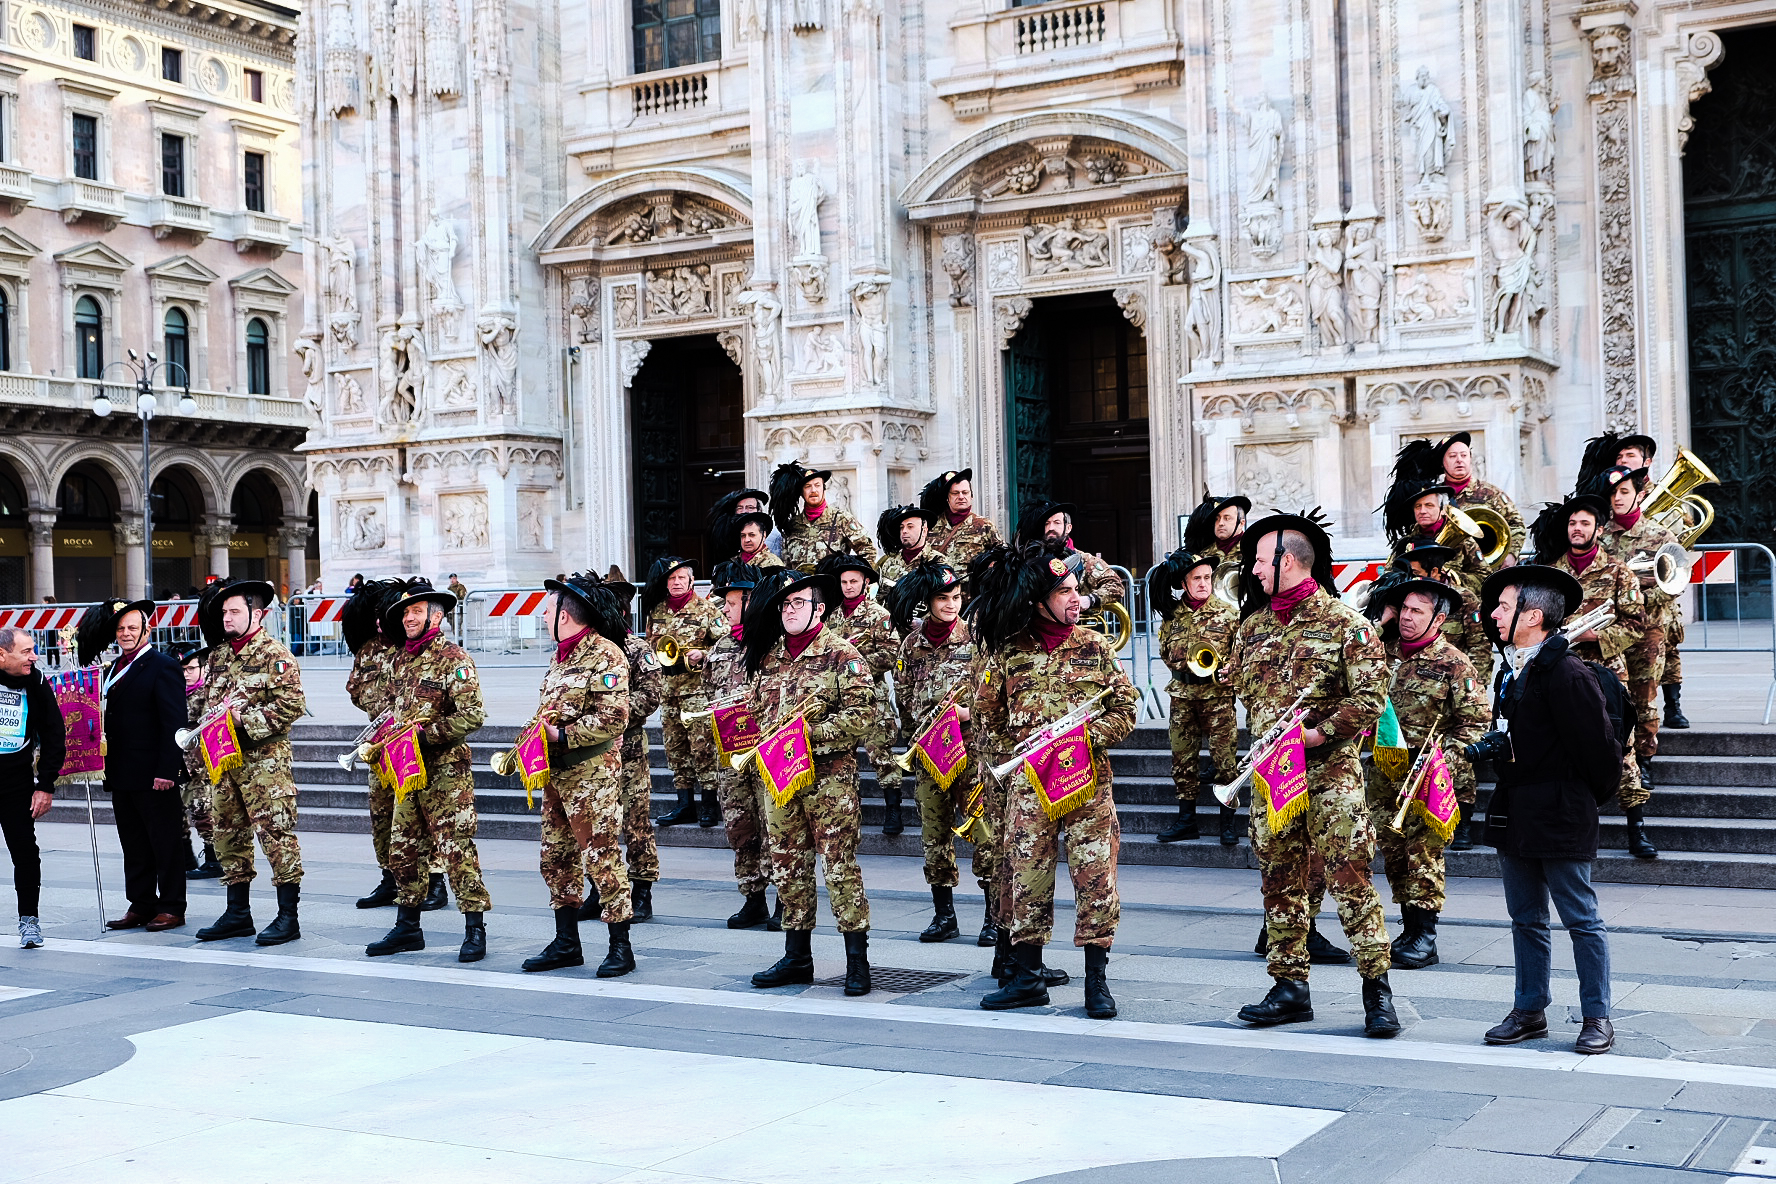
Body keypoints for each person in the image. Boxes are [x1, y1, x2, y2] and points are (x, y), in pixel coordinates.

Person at [1228, 511, 1399, 1037]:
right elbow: (1240, 688)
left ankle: (1377, 990)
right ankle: (1288, 986)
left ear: (1288, 562)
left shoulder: (1347, 625)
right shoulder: (1252, 628)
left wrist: (1320, 733)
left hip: (1330, 774)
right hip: (1274, 777)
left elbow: (1371, 699)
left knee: (1351, 880)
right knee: (1279, 881)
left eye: (1261, 561)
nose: (1254, 570)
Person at [971, 541, 1138, 1018]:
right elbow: (988, 717)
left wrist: (1086, 738)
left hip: (1087, 783)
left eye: (1075, 590)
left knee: (1095, 879)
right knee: (1026, 877)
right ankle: (1027, 977)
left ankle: (1097, 982)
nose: (1074, 599)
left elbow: (1127, 708)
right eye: (1063, 591)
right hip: (1028, 785)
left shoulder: (1095, 645)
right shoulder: (1008, 650)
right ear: (1039, 599)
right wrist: (1014, 759)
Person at [1477, 565, 1621, 1055]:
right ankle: (1529, 1009)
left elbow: (1602, 752)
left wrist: (1577, 800)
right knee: (1526, 918)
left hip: (1560, 810)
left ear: (1533, 615)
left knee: (1581, 919)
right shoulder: (1513, 666)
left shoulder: (1566, 671)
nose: (1493, 613)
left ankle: (1597, 1016)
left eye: (1503, 605)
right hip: (1517, 809)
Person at [744, 567, 876, 996]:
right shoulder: (769, 657)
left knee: (839, 868)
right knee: (787, 864)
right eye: (784, 603)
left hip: (829, 781)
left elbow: (863, 719)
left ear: (819, 608)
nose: (789, 610)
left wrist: (806, 735)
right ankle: (797, 956)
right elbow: (757, 713)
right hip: (780, 779)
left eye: (798, 602)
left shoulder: (842, 655)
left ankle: (857, 961)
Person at [1365, 577, 1489, 969]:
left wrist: (1443, 760)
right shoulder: (1381, 653)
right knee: (1394, 850)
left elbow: (1474, 723)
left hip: (1427, 771)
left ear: (1439, 619)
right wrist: (1377, 621)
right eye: (1403, 609)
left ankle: (1426, 936)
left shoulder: (1453, 662)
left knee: (1423, 853)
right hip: (1385, 769)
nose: (1407, 617)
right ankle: (1408, 927)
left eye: (1417, 611)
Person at [364, 579, 490, 962]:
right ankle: (408, 928)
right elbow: (392, 710)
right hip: (405, 772)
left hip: (446, 774)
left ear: (436, 615)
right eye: (405, 613)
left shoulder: (455, 659)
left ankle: (474, 927)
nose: (408, 618)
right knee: (403, 848)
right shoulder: (401, 659)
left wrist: (425, 735)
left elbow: (472, 715)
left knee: (456, 850)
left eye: (416, 611)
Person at [522, 573, 636, 977]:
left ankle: (620, 946)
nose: (542, 613)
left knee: (602, 857)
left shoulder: (605, 655)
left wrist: (564, 734)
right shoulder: (560, 656)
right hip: (557, 775)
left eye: (548, 609)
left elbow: (614, 717)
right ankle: (566, 942)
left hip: (591, 774)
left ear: (566, 616)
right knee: (555, 857)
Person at [1531, 492, 1651, 856]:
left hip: (1606, 671)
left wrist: (1596, 636)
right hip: (1558, 670)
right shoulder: (1551, 572)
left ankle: (1637, 827)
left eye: (1584, 523)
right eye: (1572, 523)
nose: (1577, 529)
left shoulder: (1619, 571)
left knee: (1620, 745)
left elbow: (1637, 623)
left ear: (1599, 529)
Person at [191, 579, 308, 946]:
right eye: (224, 612)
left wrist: (246, 720)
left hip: (265, 764)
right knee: (227, 835)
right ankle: (237, 913)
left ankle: (288, 916)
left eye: (235, 611)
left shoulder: (276, 655)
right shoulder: (219, 656)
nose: (227, 617)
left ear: (257, 614)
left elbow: (292, 705)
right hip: (225, 761)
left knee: (276, 835)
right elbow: (208, 701)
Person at [77, 599, 189, 932]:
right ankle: (141, 903)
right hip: (122, 769)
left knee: (164, 842)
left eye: (132, 628)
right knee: (134, 843)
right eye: (120, 629)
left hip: (155, 771)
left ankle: (171, 906)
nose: (125, 634)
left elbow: (174, 721)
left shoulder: (162, 665)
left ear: (146, 630)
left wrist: (167, 770)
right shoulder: (114, 668)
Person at [891, 561, 980, 943]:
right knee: (934, 835)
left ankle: (995, 917)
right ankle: (945, 915)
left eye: (957, 597)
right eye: (943, 598)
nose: (951, 604)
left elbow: (995, 695)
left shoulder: (977, 637)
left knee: (983, 831)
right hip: (929, 753)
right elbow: (905, 696)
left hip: (971, 750)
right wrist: (916, 738)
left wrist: (966, 713)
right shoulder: (912, 645)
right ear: (927, 601)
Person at [344, 579, 446, 911]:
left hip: (412, 746)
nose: (378, 620)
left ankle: (435, 880)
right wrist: (378, 709)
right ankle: (390, 878)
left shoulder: (414, 648)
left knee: (421, 815)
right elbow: (356, 689)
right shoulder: (369, 650)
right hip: (379, 745)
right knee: (381, 815)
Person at [1596, 464, 1681, 809]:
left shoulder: (1661, 536)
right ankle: (1617, 762)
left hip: (1647, 632)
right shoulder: (1600, 536)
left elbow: (1672, 586)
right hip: (1611, 632)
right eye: (1614, 493)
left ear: (1640, 495)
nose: (1617, 498)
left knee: (1644, 700)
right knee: (1613, 700)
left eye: (1625, 492)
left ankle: (1644, 762)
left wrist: (1633, 598)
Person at [704, 561, 777, 929]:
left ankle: (785, 899)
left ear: (751, 601)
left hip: (765, 751)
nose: (725, 609)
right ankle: (753, 897)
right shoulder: (720, 647)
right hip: (730, 753)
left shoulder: (772, 641)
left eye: (731, 603)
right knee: (740, 827)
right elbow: (708, 692)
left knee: (775, 827)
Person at [1150, 549, 1239, 845]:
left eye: (1207, 577)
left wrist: (1230, 669)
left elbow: (1240, 655)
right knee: (1183, 760)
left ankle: (1228, 822)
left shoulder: (1228, 614)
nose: (1204, 583)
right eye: (1196, 578)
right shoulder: (1172, 616)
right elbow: (1165, 651)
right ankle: (1187, 820)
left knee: (1224, 760)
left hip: (1217, 696)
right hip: (1182, 695)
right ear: (1184, 583)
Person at [817, 553, 905, 835]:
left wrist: (856, 663)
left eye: (854, 581)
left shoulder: (879, 615)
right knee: (843, 756)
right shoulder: (830, 617)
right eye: (844, 581)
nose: (848, 586)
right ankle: (848, 809)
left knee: (881, 753)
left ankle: (893, 809)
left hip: (871, 698)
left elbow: (891, 654)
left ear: (866, 582)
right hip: (839, 700)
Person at [597, 567, 664, 924]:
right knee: (597, 822)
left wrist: (617, 719)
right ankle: (601, 888)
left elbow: (652, 695)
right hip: (593, 751)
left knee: (636, 821)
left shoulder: (638, 649)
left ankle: (642, 889)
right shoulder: (589, 651)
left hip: (630, 750)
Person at [644, 556, 727, 828]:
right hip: (668, 693)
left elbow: (727, 644)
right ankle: (684, 804)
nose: (677, 582)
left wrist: (702, 653)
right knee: (675, 749)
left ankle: (709, 805)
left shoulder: (707, 610)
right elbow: (650, 649)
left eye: (682, 577)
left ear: (691, 580)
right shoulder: (656, 611)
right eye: (671, 578)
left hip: (697, 693)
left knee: (703, 748)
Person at [0, 627, 62, 949]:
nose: (34, 657)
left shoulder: (36, 681)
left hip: (15, 781)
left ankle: (29, 921)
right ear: (2, 654)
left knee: (25, 851)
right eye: (26, 652)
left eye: (34, 650)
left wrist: (46, 784)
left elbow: (54, 732)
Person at [1382, 474, 1485, 596]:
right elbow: (1388, 575)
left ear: (1443, 510)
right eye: (1418, 506)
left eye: (1429, 505)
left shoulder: (1464, 541)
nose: (1422, 511)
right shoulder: (1406, 542)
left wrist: (1451, 577)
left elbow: (1483, 578)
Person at [1012, 500, 1125, 611]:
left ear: (1068, 528)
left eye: (1057, 523)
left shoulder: (1085, 560)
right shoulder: (1032, 559)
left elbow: (1115, 585)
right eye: (1047, 523)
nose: (1051, 528)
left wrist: (1090, 599)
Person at [769, 461, 879, 571]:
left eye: (817, 485)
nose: (813, 490)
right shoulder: (793, 526)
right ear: (802, 493)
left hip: (832, 586)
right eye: (807, 486)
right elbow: (787, 565)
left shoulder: (841, 519)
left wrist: (855, 578)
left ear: (824, 489)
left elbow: (867, 550)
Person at [175, 644, 222, 879]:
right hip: (177, 762)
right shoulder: (173, 692)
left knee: (202, 810)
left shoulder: (207, 693)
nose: (186, 674)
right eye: (181, 669)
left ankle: (214, 860)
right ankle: (186, 859)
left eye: (191, 668)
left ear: (202, 668)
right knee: (177, 812)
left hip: (199, 764)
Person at [921, 470, 1003, 570]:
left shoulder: (985, 526)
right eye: (955, 493)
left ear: (971, 496)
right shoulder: (931, 525)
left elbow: (1003, 558)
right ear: (948, 498)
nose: (961, 497)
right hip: (939, 585)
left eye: (965, 493)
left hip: (970, 585)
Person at [1182, 490, 1252, 593]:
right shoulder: (1203, 555)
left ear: (1241, 523)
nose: (1221, 523)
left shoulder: (1253, 550)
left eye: (1227, 518)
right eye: (1216, 519)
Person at [875, 504, 946, 593]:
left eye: (910, 526)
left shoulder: (938, 561)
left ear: (924, 531)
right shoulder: (888, 563)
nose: (904, 531)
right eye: (901, 527)